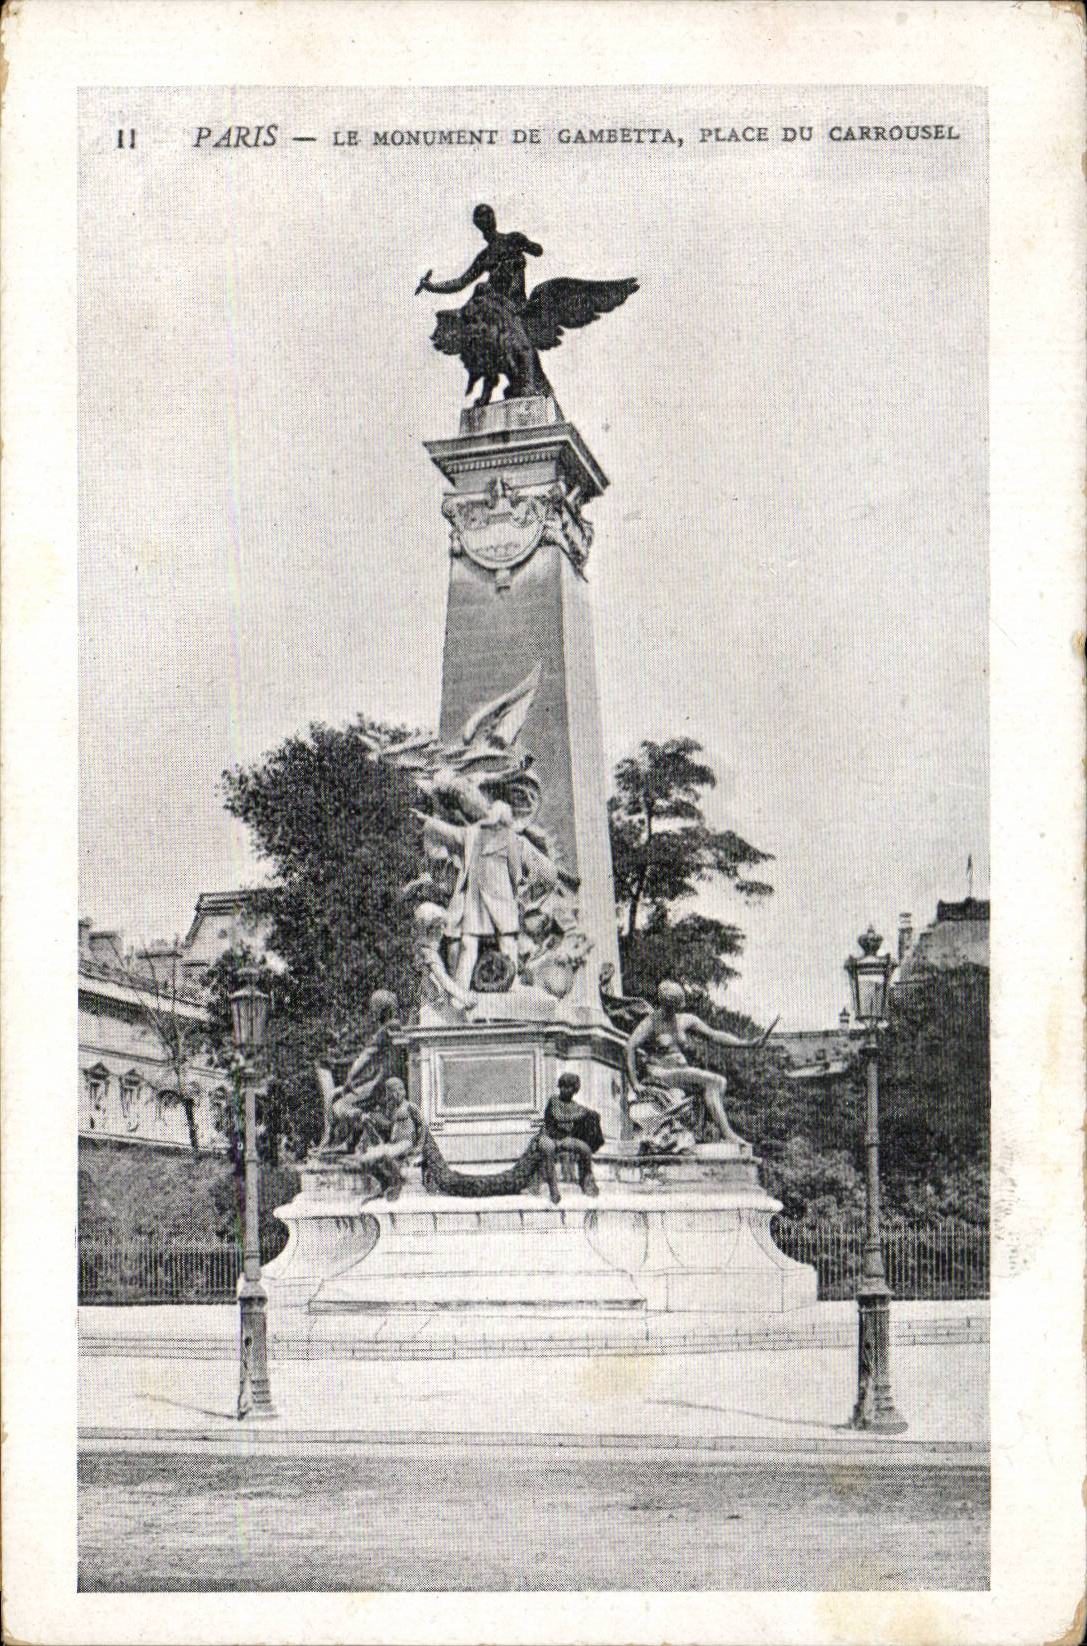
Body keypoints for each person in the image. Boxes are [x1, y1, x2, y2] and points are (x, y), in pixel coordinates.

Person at [625, 980, 774, 1149]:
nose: (672, 1010)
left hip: (680, 1073)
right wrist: (635, 1083)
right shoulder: (650, 1023)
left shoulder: (685, 1020)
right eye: (669, 1006)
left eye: (675, 1007)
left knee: (720, 1083)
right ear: (663, 1003)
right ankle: (728, 1134)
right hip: (660, 1073)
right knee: (714, 1081)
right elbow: (630, 1047)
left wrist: (746, 1043)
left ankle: (710, 1131)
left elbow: (714, 1035)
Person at [535, 1072, 605, 1203]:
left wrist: (591, 1114)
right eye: (563, 1086)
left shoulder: (574, 1105)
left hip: (563, 1139)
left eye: (569, 1087)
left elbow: (590, 1113)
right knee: (548, 1148)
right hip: (548, 1136)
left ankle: (586, 1180)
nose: (565, 1090)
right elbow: (559, 1116)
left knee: (585, 1149)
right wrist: (581, 1114)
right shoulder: (554, 1100)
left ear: (574, 1090)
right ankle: (553, 1188)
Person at [356, 1079, 425, 1202]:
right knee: (364, 1160)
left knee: (385, 1154)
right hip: (394, 1143)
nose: (396, 1093)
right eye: (392, 1091)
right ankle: (384, 1182)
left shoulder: (410, 1107)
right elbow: (387, 1126)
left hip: (406, 1142)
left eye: (399, 1089)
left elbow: (422, 1126)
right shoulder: (390, 1108)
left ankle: (396, 1183)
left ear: (403, 1091)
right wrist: (370, 1121)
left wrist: (419, 1146)